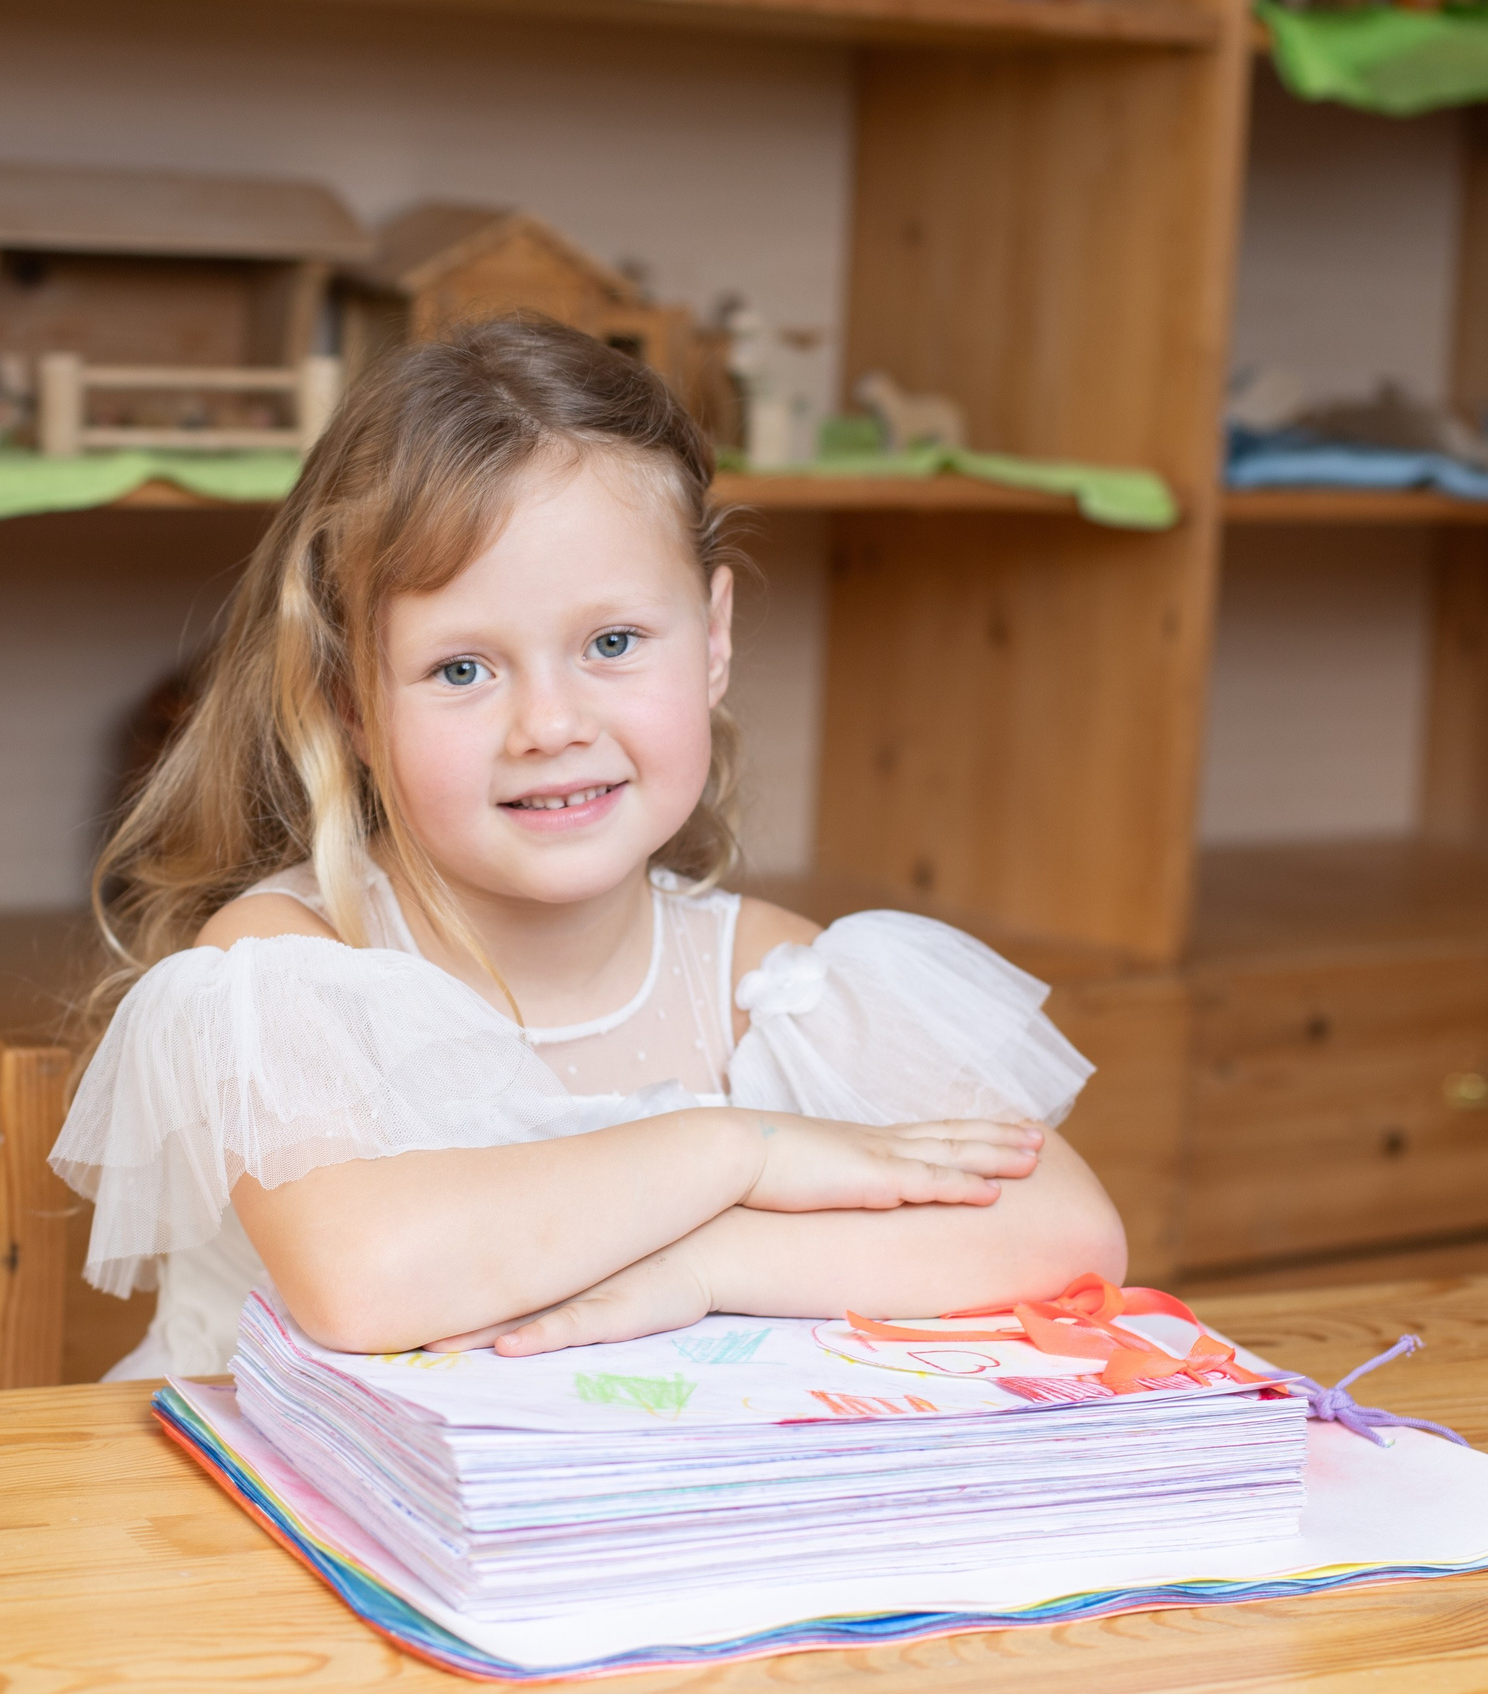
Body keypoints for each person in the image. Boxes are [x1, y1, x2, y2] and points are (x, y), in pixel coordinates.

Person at [54, 317, 1126, 1380]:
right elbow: (366, 1277)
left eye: (612, 643)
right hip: (238, 1529)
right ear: (348, 702)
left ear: (712, 638)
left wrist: (706, 1261)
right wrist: (736, 1148)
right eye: (462, 669)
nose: (549, 725)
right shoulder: (286, 959)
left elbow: (1069, 1230)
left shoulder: (770, 982)